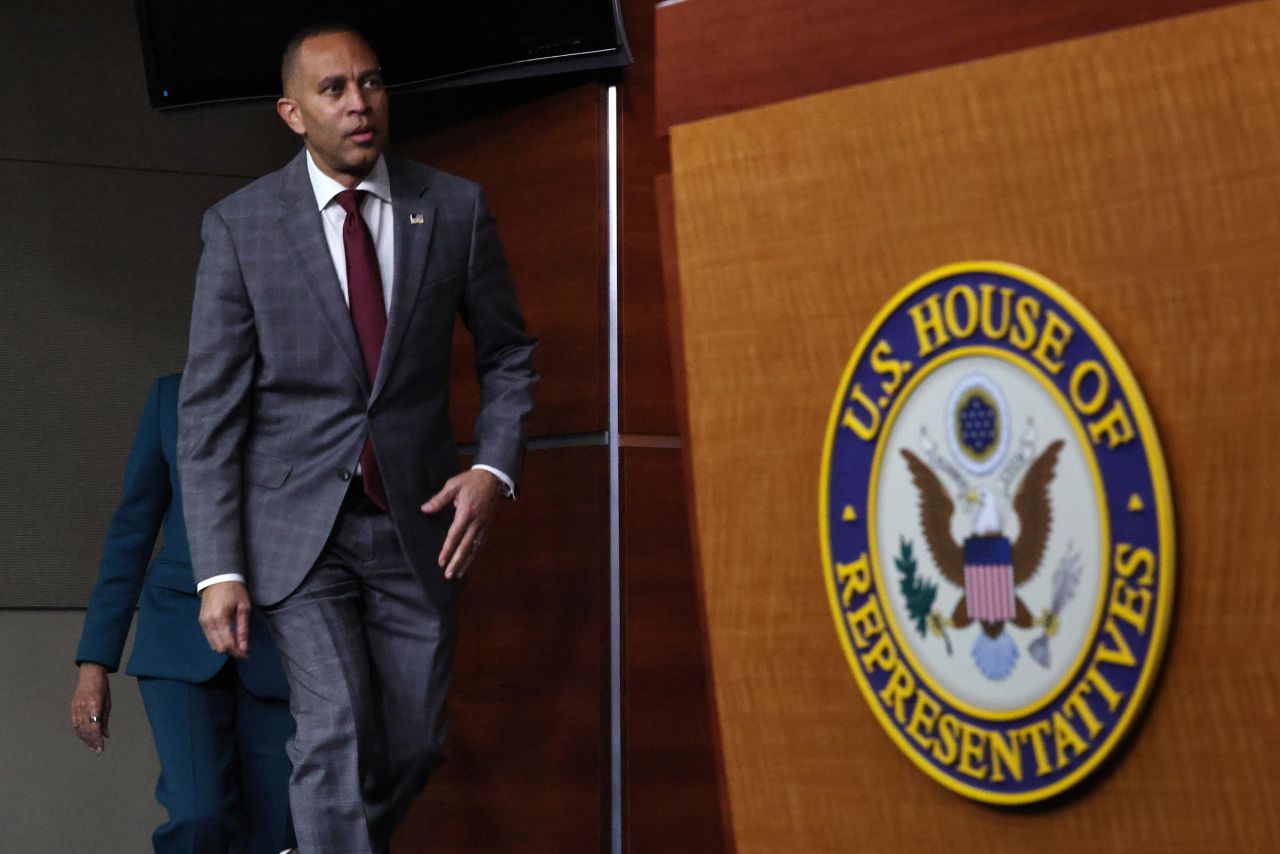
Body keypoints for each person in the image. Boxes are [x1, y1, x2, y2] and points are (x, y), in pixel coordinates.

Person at [177, 22, 538, 854]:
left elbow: (509, 354)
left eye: (370, 83)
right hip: (297, 536)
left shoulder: (453, 207)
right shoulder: (240, 227)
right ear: (292, 112)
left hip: (419, 522)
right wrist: (219, 570)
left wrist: (491, 468)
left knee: (414, 742)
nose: (358, 104)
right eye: (333, 90)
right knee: (333, 732)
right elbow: (209, 411)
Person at [71, 372, 296, 854]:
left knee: (280, 830)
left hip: (284, 646)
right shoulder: (170, 398)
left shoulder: (315, 396)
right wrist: (94, 663)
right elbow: (131, 532)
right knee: (199, 816)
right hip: (179, 636)